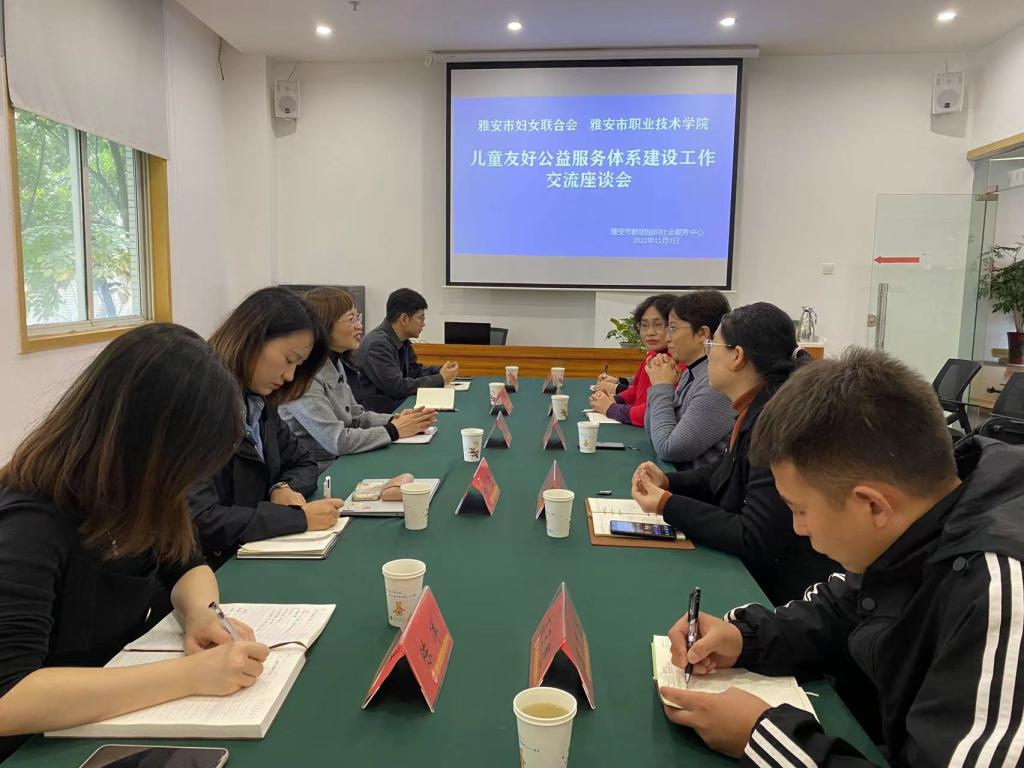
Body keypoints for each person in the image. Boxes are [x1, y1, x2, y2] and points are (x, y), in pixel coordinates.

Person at [658, 348, 1024, 767]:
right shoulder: (927, 510)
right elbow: (846, 605)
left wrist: (763, 740)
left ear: (873, 506)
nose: (798, 528)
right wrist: (745, 638)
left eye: (799, 510)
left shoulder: (1001, 589)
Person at [0, 325, 269, 759]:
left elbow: (186, 564)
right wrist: (189, 676)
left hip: (103, 718)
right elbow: (9, 697)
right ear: (146, 445)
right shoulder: (30, 520)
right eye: (187, 466)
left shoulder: (138, 494)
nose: (188, 484)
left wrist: (202, 613)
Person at [631, 302, 836, 605]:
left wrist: (667, 505)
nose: (708, 354)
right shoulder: (757, 404)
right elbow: (725, 470)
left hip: (776, 595)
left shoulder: (778, 423)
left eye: (712, 345)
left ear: (737, 356)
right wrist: (670, 482)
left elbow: (752, 536)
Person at [189, 287, 343, 566]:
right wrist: (296, 519)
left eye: (298, 365)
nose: (290, 376)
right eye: (289, 360)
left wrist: (281, 487)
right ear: (252, 338)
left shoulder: (258, 403)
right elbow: (200, 520)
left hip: (253, 549)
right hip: (212, 567)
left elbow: (303, 462)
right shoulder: (199, 407)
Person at [280, 288, 438, 469]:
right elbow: (337, 441)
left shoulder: (335, 363)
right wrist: (395, 429)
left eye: (358, 317)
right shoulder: (302, 376)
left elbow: (356, 418)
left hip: (343, 461)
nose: (359, 325)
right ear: (323, 325)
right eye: (351, 319)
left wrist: (394, 419)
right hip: (320, 470)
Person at [644, 290, 735, 470]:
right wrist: (659, 384)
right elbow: (653, 432)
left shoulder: (715, 383)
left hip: (700, 485)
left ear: (702, 333)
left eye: (673, 328)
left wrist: (661, 387)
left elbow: (668, 449)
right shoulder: (692, 371)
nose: (667, 338)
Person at [355, 288, 459, 413]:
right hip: (379, 412)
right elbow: (397, 388)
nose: (423, 324)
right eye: (421, 318)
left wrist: (440, 371)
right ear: (404, 319)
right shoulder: (377, 344)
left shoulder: (402, 340)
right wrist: (440, 379)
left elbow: (413, 371)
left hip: (396, 406)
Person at [589, 294, 679, 426]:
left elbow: (654, 411)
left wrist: (612, 408)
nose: (650, 332)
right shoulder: (651, 355)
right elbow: (636, 391)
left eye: (658, 325)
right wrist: (614, 399)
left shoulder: (676, 361)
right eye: (644, 325)